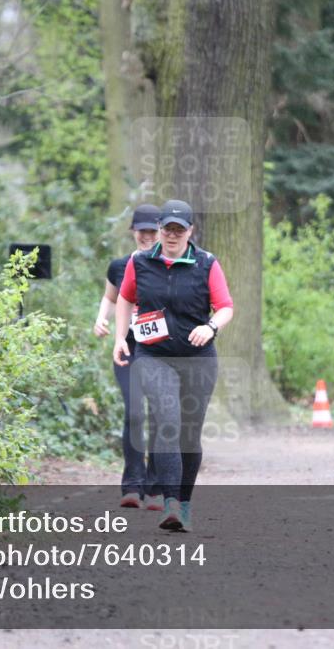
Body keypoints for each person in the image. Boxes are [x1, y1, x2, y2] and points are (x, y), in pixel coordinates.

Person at [113, 199, 234, 532]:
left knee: (189, 435)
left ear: (190, 231)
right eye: (167, 228)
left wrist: (211, 326)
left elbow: (225, 306)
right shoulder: (140, 262)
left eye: (179, 229)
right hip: (154, 356)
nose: (172, 235)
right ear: (160, 229)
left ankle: (183, 503)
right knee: (167, 421)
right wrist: (120, 337)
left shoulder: (206, 263)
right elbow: (125, 298)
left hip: (197, 358)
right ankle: (170, 504)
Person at [94, 203, 163, 510]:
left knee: (160, 414)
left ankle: (155, 487)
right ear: (133, 231)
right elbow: (110, 297)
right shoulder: (120, 266)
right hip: (129, 348)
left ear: (160, 232)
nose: (146, 237)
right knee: (134, 412)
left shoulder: (169, 266)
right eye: (141, 231)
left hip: (161, 351)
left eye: (152, 231)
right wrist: (101, 319)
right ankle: (132, 486)